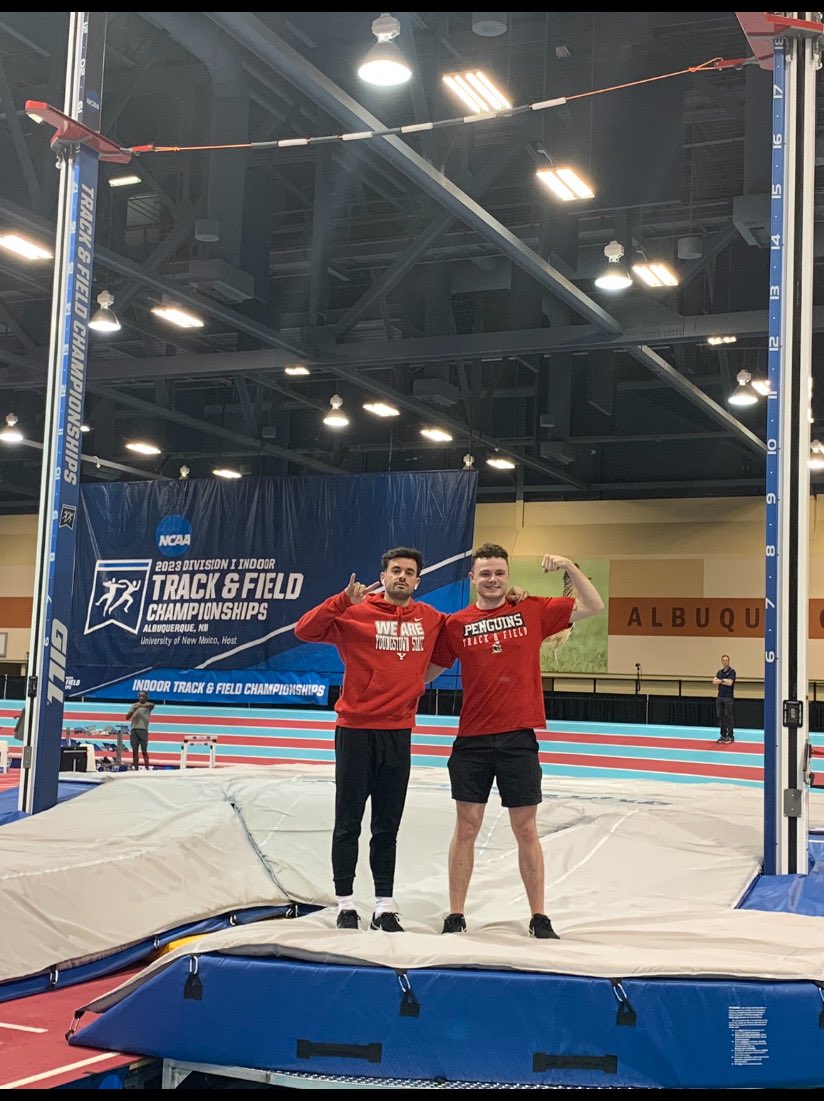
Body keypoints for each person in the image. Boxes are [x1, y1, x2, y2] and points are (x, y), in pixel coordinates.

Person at [426, 543, 604, 940]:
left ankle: (539, 916)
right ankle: (456, 913)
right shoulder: (455, 624)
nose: (492, 580)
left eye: (499, 573)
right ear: (473, 579)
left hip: (518, 738)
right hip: (472, 739)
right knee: (466, 827)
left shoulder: (532, 610)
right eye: (485, 573)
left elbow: (593, 607)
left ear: (508, 577)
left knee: (526, 829)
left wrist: (570, 565)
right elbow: (425, 674)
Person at [293, 547, 448, 934]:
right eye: (395, 570)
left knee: (387, 825)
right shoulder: (354, 613)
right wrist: (342, 600)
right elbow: (304, 630)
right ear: (383, 575)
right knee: (348, 821)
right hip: (355, 730)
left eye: (409, 572)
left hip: (398, 732)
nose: (402, 577)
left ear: (418, 581)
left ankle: (384, 905)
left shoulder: (431, 619)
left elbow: (466, 629)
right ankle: (345, 903)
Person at [126, 691, 156, 770]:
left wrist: (139, 705)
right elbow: (127, 717)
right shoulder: (134, 706)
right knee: (134, 751)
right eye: (140, 696)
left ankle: (147, 769)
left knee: (144, 751)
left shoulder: (148, 706)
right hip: (134, 730)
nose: (141, 698)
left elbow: (152, 705)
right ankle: (136, 769)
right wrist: (133, 710)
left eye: (143, 696)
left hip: (143, 730)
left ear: (146, 697)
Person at [712, 654, 736, 744]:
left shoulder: (732, 672)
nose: (725, 662)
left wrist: (720, 680)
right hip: (720, 697)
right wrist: (723, 680)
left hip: (728, 698)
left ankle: (730, 736)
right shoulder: (719, 672)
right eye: (723, 660)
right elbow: (714, 681)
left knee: (728, 716)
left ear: (729, 661)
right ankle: (723, 735)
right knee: (720, 716)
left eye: (727, 660)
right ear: (721, 662)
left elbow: (730, 683)